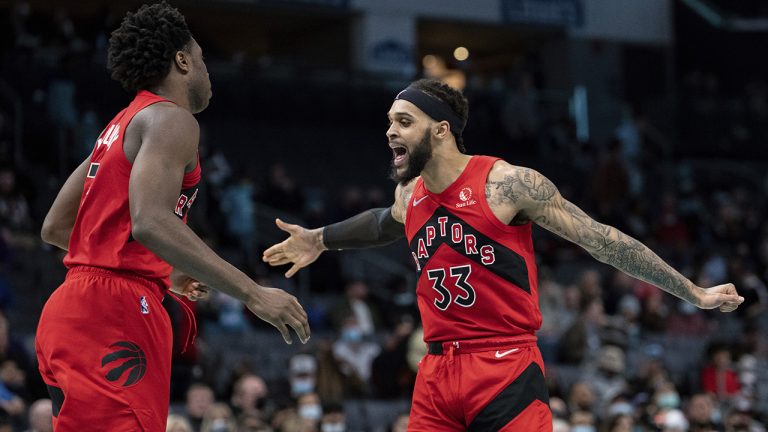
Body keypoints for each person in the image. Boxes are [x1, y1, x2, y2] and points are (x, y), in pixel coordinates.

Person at [263, 78, 744, 431]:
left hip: (505, 366)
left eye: (404, 121)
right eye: (389, 121)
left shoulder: (507, 184)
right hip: (435, 373)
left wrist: (693, 292)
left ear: (441, 131)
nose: (390, 131)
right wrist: (319, 238)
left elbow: (602, 240)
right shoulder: (410, 196)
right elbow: (380, 223)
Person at [36, 2, 309, 430]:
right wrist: (254, 294)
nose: (207, 70)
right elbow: (150, 221)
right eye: (201, 57)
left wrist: (161, 266)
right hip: (114, 312)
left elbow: (56, 227)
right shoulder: (172, 119)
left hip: (70, 310)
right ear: (182, 60)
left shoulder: (120, 125)